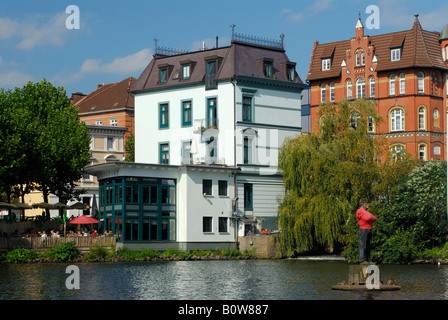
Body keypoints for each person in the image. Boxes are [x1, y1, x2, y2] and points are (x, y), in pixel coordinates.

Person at [356, 199, 376, 264]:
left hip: (369, 229)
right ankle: (362, 260)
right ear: (363, 204)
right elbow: (367, 218)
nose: (368, 205)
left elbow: (374, 218)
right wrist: (369, 217)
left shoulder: (365, 212)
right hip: (363, 229)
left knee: (368, 245)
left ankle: (367, 260)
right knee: (363, 245)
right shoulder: (359, 211)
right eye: (367, 204)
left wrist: (369, 216)